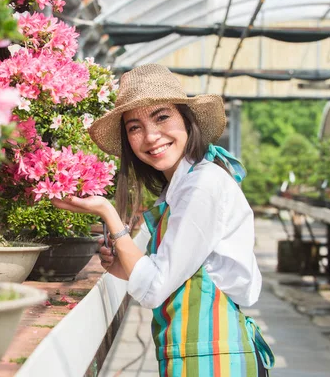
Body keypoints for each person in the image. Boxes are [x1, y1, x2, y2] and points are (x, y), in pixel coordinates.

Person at [52, 64, 274, 376]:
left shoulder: (202, 185)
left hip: (214, 360)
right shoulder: (179, 188)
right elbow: (171, 274)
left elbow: (154, 289)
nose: (151, 136)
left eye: (161, 117)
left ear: (187, 119)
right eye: (134, 127)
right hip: (198, 355)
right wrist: (124, 264)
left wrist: (108, 215)